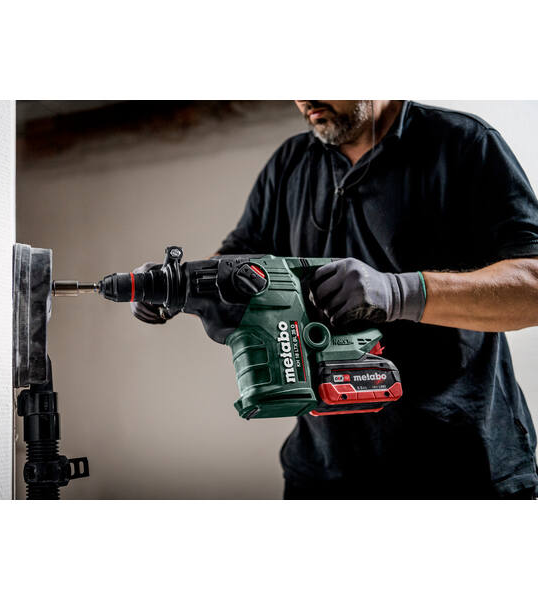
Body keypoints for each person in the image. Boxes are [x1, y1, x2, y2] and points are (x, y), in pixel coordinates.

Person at [133, 100, 538, 499]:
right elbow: (238, 268)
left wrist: (399, 292)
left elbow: (532, 286)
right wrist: (180, 285)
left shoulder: (463, 143)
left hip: (458, 466)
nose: (305, 99)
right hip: (323, 471)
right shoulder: (290, 163)